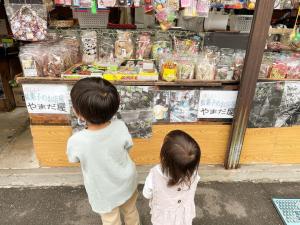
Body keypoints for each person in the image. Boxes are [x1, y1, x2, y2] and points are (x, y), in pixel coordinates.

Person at [67, 77, 140, 225]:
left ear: (78, 113)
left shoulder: (77, 141)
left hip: (102, 190)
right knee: (131, 211)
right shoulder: (120, 126)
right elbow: (128, 146)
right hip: (127, 181)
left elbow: (73, 159)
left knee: (110, 220)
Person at [143, 130, 201, 225]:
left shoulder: (155, 173)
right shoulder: (194, 173)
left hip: (163, 218)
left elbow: (147, 194)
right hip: (184, 215)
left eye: (164, 144)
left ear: (165, 157)